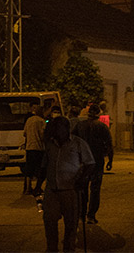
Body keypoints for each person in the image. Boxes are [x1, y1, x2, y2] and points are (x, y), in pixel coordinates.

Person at [33, 116, 95, 252]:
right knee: (49, 220)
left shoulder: (78, 143)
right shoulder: (50, 145)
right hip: (52, 189)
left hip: (71, 189)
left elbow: (90, 164)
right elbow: (45, 165)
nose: (56, 131)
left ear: (66, 128)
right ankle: (52, 248)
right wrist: (38, 185)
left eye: (59, 128)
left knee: (71, 223)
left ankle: (69, 248)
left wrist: (83, 179)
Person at [71, 103, 113, 225]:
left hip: (82, 162)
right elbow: (109, 145)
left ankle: (81, 214)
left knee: (82, 188)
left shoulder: (80, 125)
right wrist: (110, 160)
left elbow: (72, 141)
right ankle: (91, 215)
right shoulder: (102, 127)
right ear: (99, 113)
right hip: (97, 162)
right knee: (95, 189)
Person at [23, 102, 46, 195]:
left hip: (29, 147)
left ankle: (28, 188)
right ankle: (38, 187)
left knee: (29, 169)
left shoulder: (29, 120)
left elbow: (24, 133)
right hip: (39, 148)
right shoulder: (41, 121)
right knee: (40, 168)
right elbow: (43, 135)